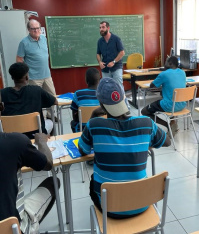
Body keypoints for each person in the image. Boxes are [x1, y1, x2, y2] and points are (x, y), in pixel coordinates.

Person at [78, 77, 171, 218]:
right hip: (142, 202)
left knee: (94, 180)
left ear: (101, 105)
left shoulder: (94, 125)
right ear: (123, 98)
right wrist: (145, 142)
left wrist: (92, 116)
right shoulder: (146, 123)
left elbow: (83, 150)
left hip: (109, 207)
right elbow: (168, 142)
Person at [0, 91, 60, 233]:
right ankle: (31, 226)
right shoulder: (15, 142)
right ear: (2, 108)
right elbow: (47, 164)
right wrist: (41, 142)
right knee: (53, 182)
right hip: (13, 228)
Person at [1, 62, 58, 138]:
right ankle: (46, 140)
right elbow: (55, 101)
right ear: (27, 77)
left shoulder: (2, 93)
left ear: (12, 78)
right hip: (35, 134)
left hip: (11, 135)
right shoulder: (36, 90)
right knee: (50, 122)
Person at [16, 19, 57, 119]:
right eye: (33, 28)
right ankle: (41, 119)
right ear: (29, 30)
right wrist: (25, 74)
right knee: (36, 100)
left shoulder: (43, 39)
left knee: (52, 97)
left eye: (38, 28)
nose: (36, 30)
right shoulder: (24, 43)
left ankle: (51, 115)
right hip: (33, 77)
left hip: (46, 75)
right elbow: (19, 59)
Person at [141, 56, 186, 136]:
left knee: (144, 111)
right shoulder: (182, 72)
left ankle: (168, 125)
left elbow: (152, 86)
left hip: (169, 105)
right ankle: (173, 123)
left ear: (170, 63)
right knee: (168, 97)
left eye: (166, 61)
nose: (164, 64)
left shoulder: (164, 74)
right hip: (182, 104)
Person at [70, 67, 101, 133]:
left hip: (83, 129)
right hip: (101, 128)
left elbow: (75, 117)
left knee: (73, 123)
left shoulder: (78, 94)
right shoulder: (104, 94)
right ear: (99, 80)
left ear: (86, 80)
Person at [96, 21, 125, 86]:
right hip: (105, 69)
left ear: (108, 28)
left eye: (103, 27)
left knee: (118, 86)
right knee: (106, 88)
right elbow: (98, 54)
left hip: (116, 67)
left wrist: (114, 62)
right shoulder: (100, 41)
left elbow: (122, 52)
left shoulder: (116, 39)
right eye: (100, 28)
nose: (101, 29)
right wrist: (100, 62)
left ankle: (121, 96)